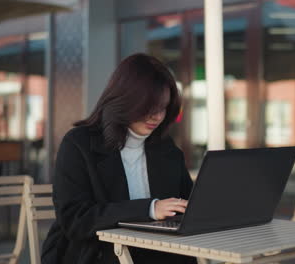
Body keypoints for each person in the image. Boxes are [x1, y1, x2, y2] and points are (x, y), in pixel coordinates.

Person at [41, 54, 196, 264]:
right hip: (95, 254)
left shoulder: (165, 148)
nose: (157, 116)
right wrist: (150, 209)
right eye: (149, 106)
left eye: (163, 107)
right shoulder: (79, 144)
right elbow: (75, 219)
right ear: (125, 99)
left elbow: (188, 207)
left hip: (157, 253)